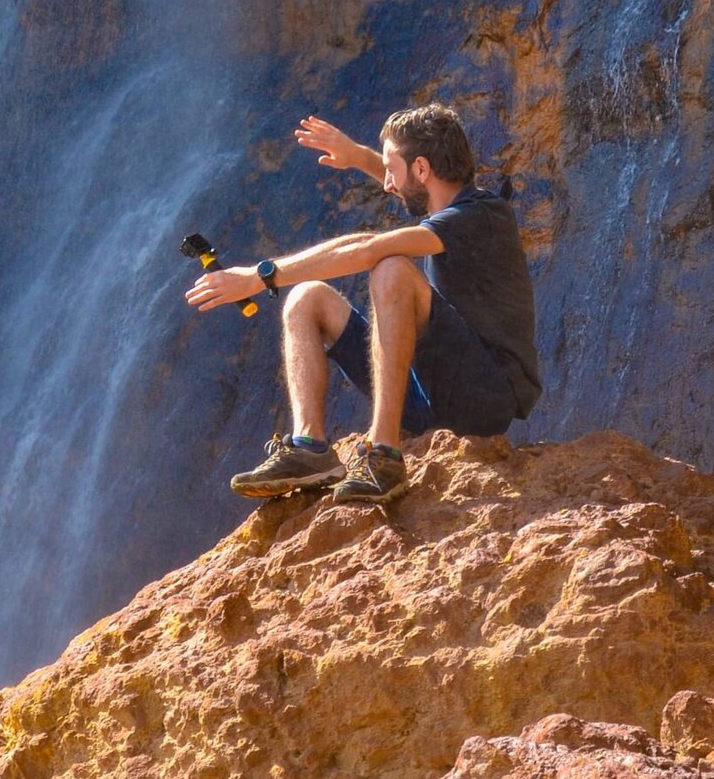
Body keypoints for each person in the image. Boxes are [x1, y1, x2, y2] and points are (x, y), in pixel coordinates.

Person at [184, 103, 541, 505]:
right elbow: (406, 189)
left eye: (392, 168)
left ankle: (383, 456)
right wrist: (358, 157)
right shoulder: (443, 208)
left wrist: (259, 276)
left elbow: (368, 248)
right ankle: (310, 448)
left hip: (484, 397)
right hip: (430, 397)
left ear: (422, 169)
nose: (386, 183)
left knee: (390, 268)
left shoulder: (482, 215)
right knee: (306, 298)